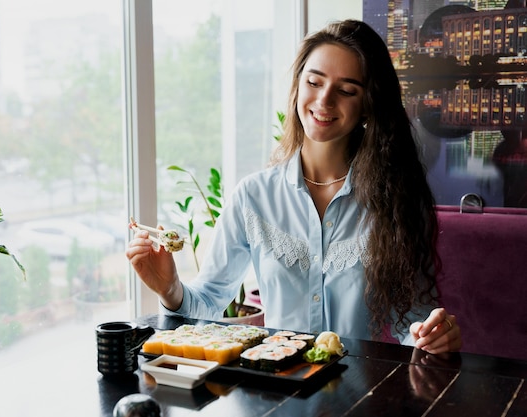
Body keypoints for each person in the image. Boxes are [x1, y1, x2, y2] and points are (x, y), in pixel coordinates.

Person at [126, 19, 462, 354]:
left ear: (368, 104)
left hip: (361, 396)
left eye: (346, 91)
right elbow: (208, 303)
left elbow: (413, 322)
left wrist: (430, 337)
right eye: (314, 82)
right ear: (298, 86)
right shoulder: (253, 197)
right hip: (276, 394)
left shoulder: (398, 200)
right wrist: (170, 289)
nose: (324, 100)